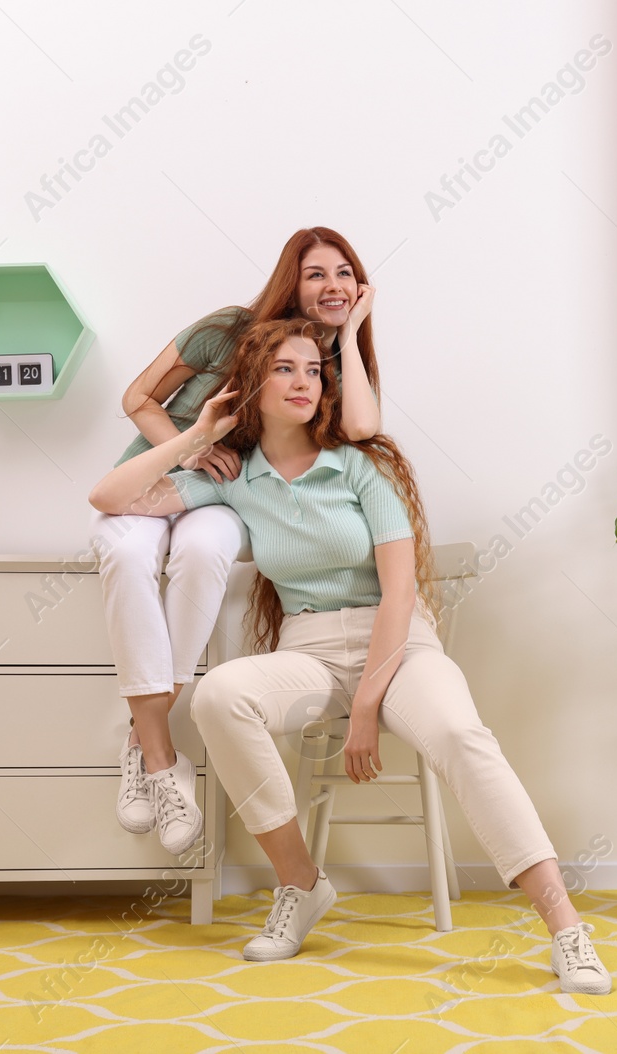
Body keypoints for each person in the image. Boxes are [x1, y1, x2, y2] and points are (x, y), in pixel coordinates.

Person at [87, 318, 612, 994]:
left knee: (458, 732)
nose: (303, 381)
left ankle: (566, 928)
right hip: (308, 649)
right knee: (220, 696)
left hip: (398, 646)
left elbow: (400, 592)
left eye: (313, 370)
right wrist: (195, 438)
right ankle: (300, 885)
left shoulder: (361, 466)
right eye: (284, 369)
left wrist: (367, 704)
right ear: (250, 384)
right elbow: (108, 497)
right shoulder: (235, 477)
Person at [93, 228, 381, 857]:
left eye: (344, 274)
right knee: (125, 552)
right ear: (291, 281)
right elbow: (136, 397)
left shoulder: (324, 367)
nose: (332, 287)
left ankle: (142, 731)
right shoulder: (225, 330)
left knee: (203, 554)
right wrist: (199, 443)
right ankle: (158, 750)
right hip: (164, 467)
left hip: (224, 492)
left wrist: (356, 330)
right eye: (316, 275)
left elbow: (362, 428)